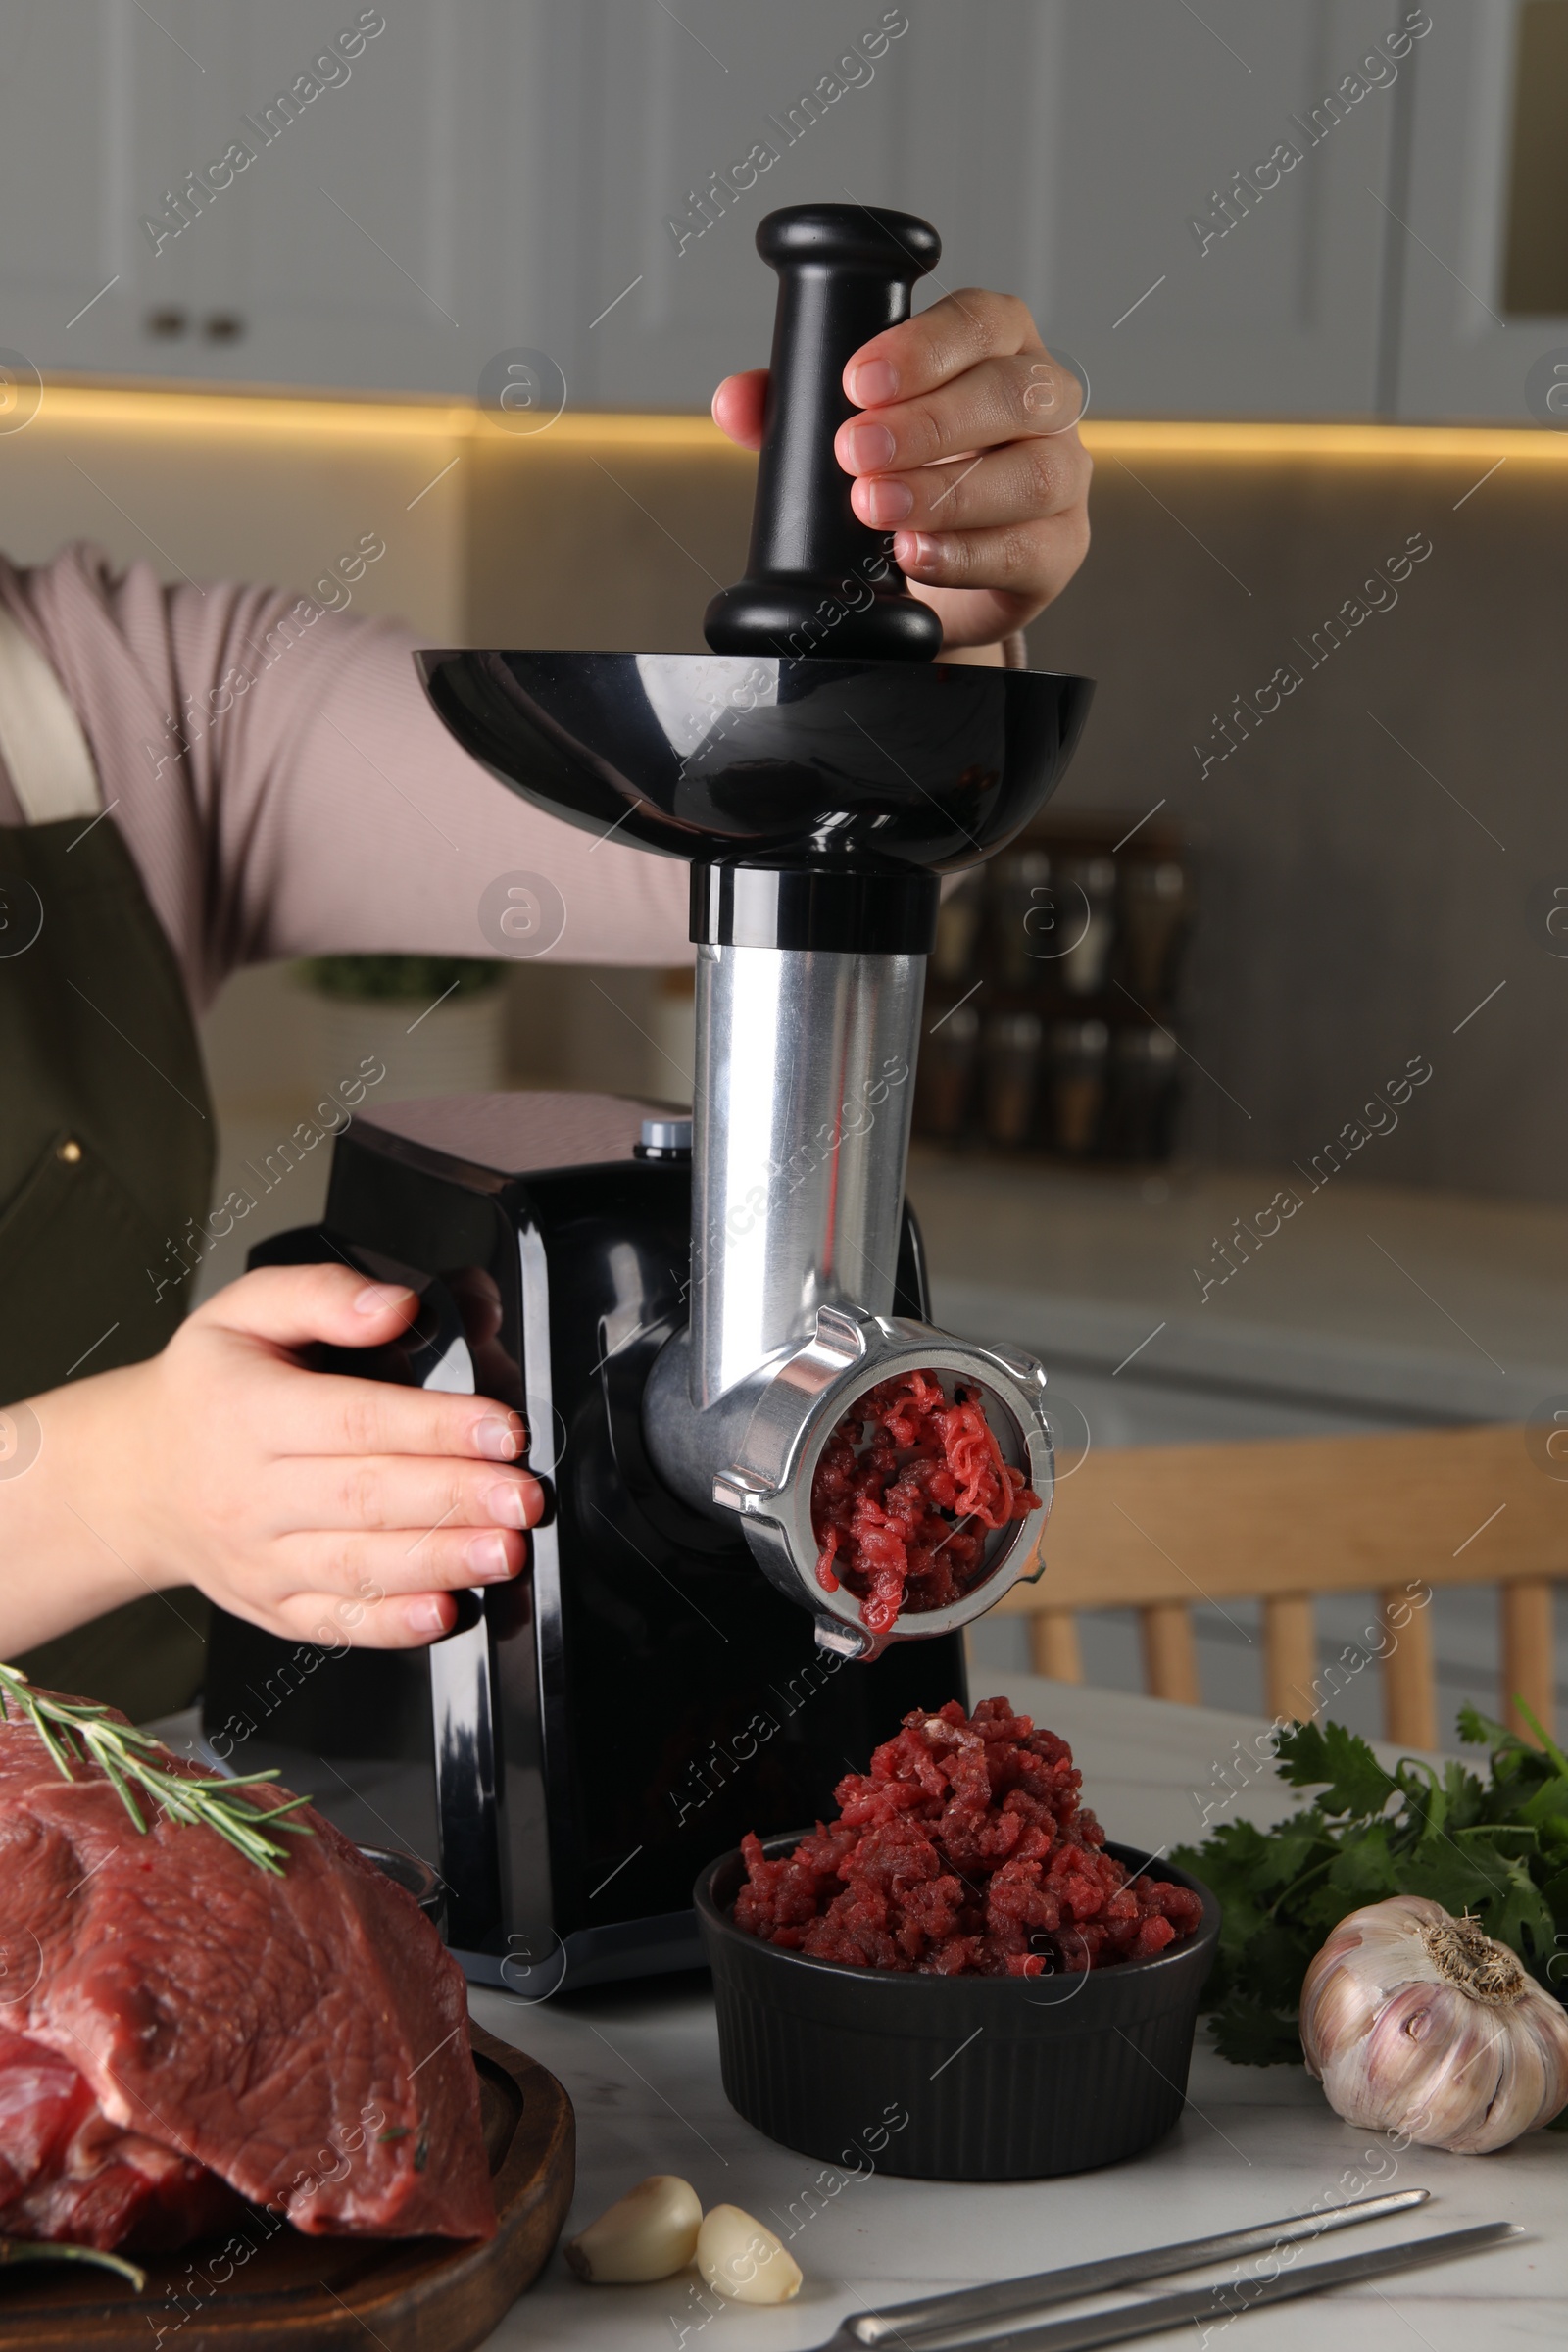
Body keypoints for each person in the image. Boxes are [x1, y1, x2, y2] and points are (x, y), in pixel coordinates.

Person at [0, 290, 1091, 1719]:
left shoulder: (91, 695)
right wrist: (122, 1482)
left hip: (144, 1811)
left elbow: (726, 824)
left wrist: (917, 618)